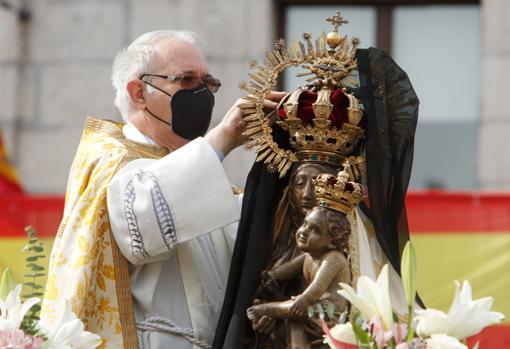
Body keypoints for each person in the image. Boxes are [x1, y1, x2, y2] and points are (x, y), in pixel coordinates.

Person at [40, 30, 284, 349]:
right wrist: (223, 137)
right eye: (186, 80)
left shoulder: (203, 179)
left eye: (207, 83)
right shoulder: (110, 158)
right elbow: (142, 228)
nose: (202, 93)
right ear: (139, 92)